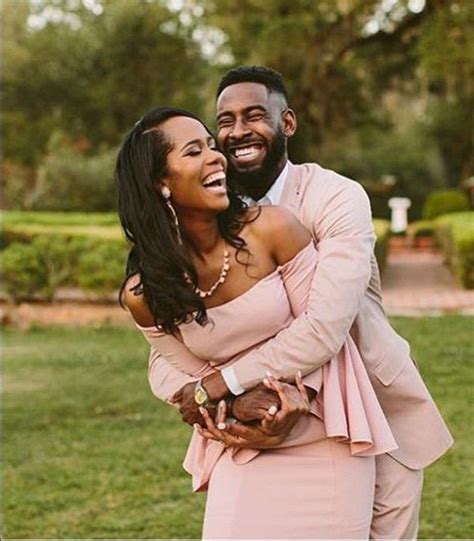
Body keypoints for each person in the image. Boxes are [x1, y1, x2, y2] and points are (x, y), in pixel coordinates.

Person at [143, 67, 453, 539]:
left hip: (375, 410)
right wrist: (236, 402)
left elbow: (324, 327)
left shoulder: (337, 197)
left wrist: (219, 386)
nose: (237, 131)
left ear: (287, 124)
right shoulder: (210, 214)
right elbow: (165, 354)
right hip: (262, 423)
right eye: (223, 121)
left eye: (253, 115)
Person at [116, 106, 400, 538]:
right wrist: (239, 406)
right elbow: (183, 375)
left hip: (327, 434)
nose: (216, 157)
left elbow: (323, 332)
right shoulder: (145, 294)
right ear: (161, 183)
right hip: (243, 444)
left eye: (212, 146)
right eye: (195, 151)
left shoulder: (273, 229)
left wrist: (263, 395)